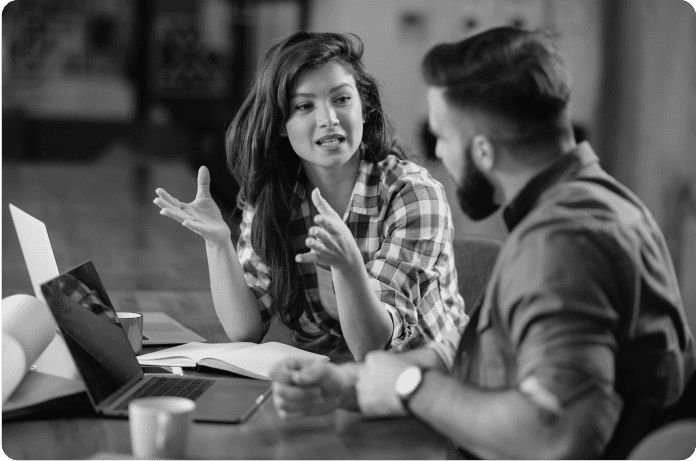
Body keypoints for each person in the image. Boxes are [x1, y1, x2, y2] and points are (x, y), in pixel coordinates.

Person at [269, 27, 696, 459]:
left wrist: (408, 385)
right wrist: (358, 384)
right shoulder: (597, 202)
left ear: (484, 152)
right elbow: (485, 353)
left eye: (443, 136)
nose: (438, 152)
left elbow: (553, 434)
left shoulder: (561, 246)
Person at [153, 31, 466, 361]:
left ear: (365, 109)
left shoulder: (413, 193)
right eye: (304, 106)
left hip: (429, 385)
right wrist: (218, 243)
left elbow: (373, 346)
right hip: (333, 381)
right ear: (280, 125)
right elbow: (244, 330)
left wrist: (348, 269)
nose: (328, 119)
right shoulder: (275, 198)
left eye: (342, 99)